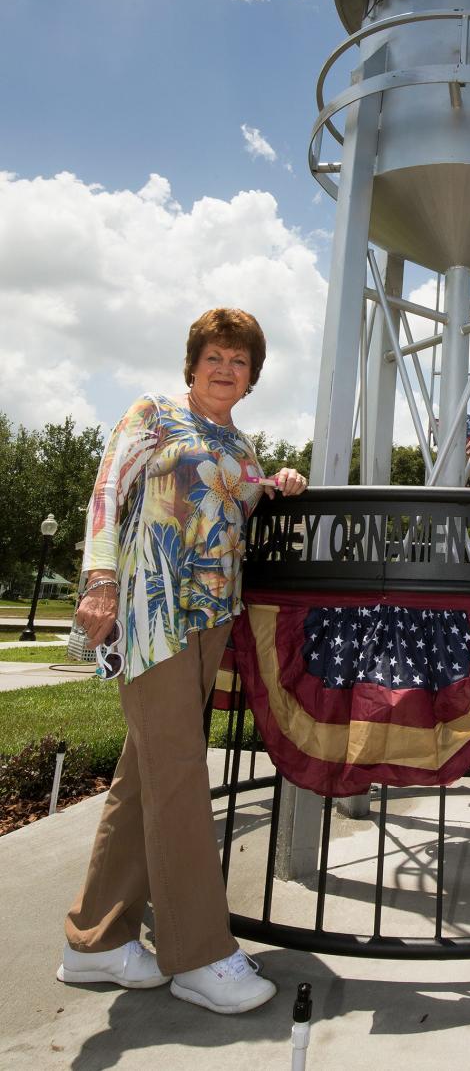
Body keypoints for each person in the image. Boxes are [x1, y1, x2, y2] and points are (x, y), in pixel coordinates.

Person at [58, 308, 307, 1014]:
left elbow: (234, 509)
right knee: (176, 770)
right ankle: (198, 953)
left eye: (239, 362)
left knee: (144, 773)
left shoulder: (240, 442)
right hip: (151, 611)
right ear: (193, 363)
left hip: (210, 616)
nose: (226, 369)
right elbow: (107, 493)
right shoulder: (153, 414)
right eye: (215, 357)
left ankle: (95, 940)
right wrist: (99, 580)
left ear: (252, 377)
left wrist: (276, 482)